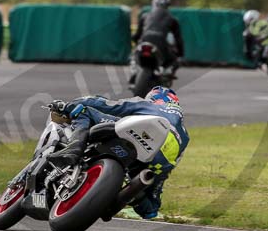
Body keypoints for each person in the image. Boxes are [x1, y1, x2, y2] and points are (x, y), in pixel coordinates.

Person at [48, 86, 189, 220]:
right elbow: (172, 164)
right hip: (155, 162)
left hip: (131, 136)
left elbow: (112, 105)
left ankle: (73, 150)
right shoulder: (185, 135)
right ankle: (133, 195)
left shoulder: (153, 105)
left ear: (156, 98)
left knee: (83, 110)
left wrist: (67, 106)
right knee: (150, 209)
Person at [130, 0, 185, 84]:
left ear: (153, 4)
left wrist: (136, 42)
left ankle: (134, 72)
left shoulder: (144, 16)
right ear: (167, 6)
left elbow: (137, 35)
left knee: (133, 56)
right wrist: (180, 54)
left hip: (144, 42)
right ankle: (166, 75)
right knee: (174, 60)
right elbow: (178, 39)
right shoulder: (172, 19)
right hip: (161, 45)